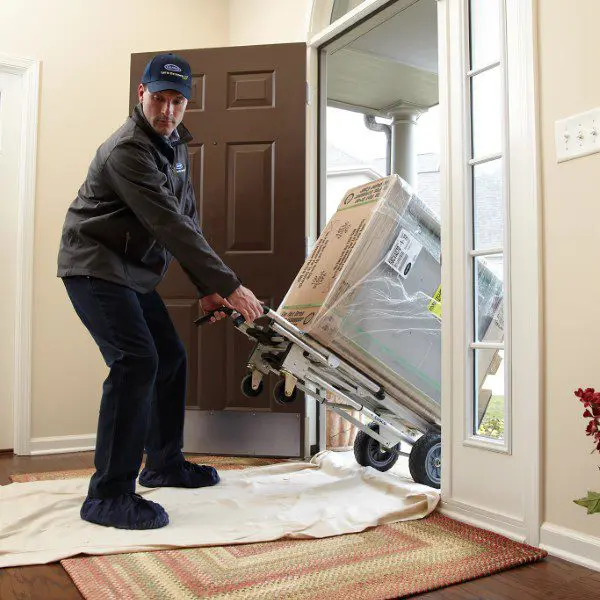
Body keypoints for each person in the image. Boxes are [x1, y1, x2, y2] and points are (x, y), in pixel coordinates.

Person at [57, 52, 263, 530]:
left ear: (186, 104)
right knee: (135, 362)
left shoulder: (174, 145)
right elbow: (167, 225)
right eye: (160, 98)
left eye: (178, 101)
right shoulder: (127, 149)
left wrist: (207, 290)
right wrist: (229, 286)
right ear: (141, 94)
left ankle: (164, 464)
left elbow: (187, 217)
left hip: (130, 271)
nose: (167, 111)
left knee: (169, 357)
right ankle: (107, 495)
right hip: (93, 264)